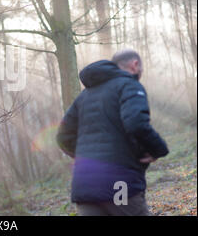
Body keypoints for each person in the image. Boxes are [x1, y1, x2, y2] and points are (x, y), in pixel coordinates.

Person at [56, 49, 169, 216]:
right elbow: (136, 123)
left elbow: (62, 137)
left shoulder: (84, 96)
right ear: (135, 65)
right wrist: (158, 150)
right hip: (118, 183)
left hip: (85, 186)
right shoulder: (129, 85)